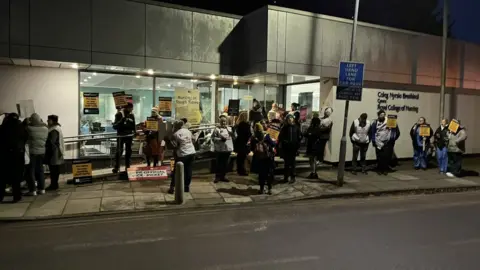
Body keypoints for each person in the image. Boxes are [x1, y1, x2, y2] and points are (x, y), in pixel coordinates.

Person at [0, 113, 27, 202]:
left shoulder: (3, 127)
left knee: (2, 177)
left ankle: (0, 197)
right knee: (16, 177)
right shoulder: (21, 127)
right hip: (18, 154)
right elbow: (25, 138)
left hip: (5, 155)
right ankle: (17, 196)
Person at [168, 120, 196, 194]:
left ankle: (172, 187)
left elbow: (174, 146)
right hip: (191, 152)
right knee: (188, 170)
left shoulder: (175, 134)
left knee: (176, 171)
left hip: (182, 154)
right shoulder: (187, 131)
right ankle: (186, 187)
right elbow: (194, 139)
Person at [370, 110, 400, 175]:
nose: (382, 116)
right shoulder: (375, 122)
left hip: (387, 142)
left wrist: (393, 139)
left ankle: (385, 169)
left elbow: (396, 131)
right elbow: (373, 132)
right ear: (378, 115)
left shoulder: (389, 121)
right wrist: (373, 140)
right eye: (381, 115)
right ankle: (380, 169)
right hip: (378, 142)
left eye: (383, 115)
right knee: (379, 157)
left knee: (386, 157)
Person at [26, 113, 48, 195]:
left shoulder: (29, 128)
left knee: (31, 171)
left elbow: (26, 128)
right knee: (40, 170)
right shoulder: (45, 129)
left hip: (32, 152)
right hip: (42, 152)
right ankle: (42, 189)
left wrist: (27, 122)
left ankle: (33, 190)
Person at [250, 123, 276, 194]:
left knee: (261, 174)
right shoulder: (266, 136)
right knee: (269, 173)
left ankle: (261, 189)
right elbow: (273, 144)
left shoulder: (253, 137)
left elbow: (252, 148)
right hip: (268, 158)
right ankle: (269, 189)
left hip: (259, 158)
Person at [112, 103, 136, 173]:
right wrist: (122, 120)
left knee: (128, 151)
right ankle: (116, 167)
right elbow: (115, 126)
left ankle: (127, 166)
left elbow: (133, 125)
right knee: (119, 151)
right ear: (127, 108)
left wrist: (135, 132)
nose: (132, 109)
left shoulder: (131, 115)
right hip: (121, 136)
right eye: (131, 108)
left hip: (129, 136)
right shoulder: (119, 114)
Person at [278, 114, 302, 183]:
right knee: (286, 163)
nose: (290, 121)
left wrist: (297, 144)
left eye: (291, 119)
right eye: (289, 119)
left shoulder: (296, 127)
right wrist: (284, 142)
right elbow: (280, 137)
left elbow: (300, 136)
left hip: (293, 148)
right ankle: (286, 177)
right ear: (287, 120)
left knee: (293, 163)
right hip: (286, 148)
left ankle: (293, 177)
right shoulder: (284, 128)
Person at [212, 115, 234, 183]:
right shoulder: (216, 129)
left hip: (227, 149)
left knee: (225, 163)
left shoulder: (229, 129)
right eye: (222, 121)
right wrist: (220, 139)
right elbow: (213, 138)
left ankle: (223, 176)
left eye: (224, 121)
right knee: (219, 163)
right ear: (220, 122)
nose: (223, 123)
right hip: (220, 149)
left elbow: (234, 136)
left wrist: (232, 133)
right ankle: (217, 177)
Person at [45, 115, 65, 191]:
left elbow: (52, 141)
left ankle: (54, 185)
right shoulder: (57, 128)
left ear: (52, 121)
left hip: (54, 152)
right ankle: (54, 184)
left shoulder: (53, 130)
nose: (47, 121)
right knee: (56, 169)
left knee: (53, 169)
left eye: (48, 120)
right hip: (57, 151)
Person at [233, 111, 251, 176]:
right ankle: (242, 171)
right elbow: (249, 134)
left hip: (238, 142)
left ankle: (239, 170)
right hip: (244, 143)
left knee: (239, 157)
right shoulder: (246, 125)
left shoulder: (238, 124)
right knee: (242, 158)